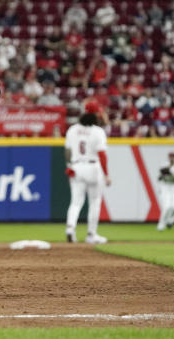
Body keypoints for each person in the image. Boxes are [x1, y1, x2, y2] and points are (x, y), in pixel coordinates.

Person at [64, 101, 111, 244]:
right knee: (95, 202)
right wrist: (106, 174)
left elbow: (67, 151)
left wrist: (69, 166)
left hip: (77, 167)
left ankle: (70, 228)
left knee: (76, 202)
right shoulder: (98, 131)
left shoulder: (72, 129)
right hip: (93, 167)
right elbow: (102, 155)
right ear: (96, 114)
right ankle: (91, 234)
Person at [157, 152, 174, 231]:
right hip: (166, 188)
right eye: (170, 157)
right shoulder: (164, 165)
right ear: (168, 157)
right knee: (167, 207)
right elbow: (159, 178)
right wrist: (165, 174)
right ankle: (161, 224)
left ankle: (170, 220)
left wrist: (173, 176)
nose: (171, 159)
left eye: (173, 157)